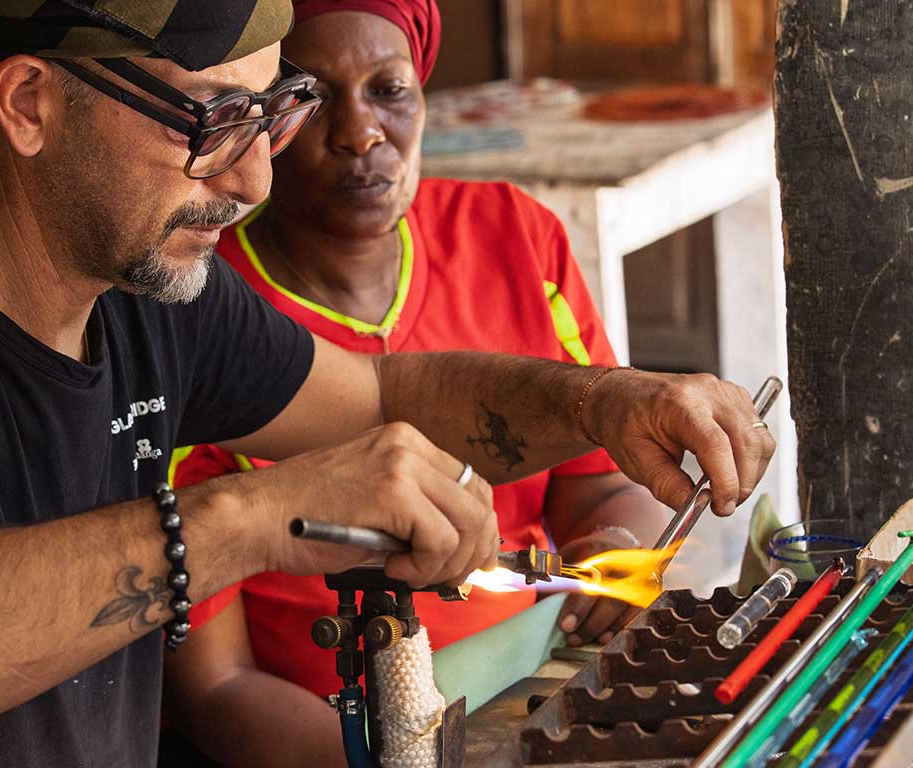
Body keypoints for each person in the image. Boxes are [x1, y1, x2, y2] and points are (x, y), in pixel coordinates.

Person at [0, 1, 774, 766]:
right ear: (29, 104)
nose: (253, 176)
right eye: (210, 121)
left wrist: (604, 404)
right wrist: (237, 521)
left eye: (272, 115)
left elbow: (385, 395)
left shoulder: (140, 292)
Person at [162, 3, 678, 764]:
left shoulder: (514, 237)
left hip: (546, 688)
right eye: (314, 98)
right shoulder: (197, 319)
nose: (361, 133)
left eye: (390, 90)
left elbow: (597, 486)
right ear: (260, 118)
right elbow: (216, 689)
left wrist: (617, 554)